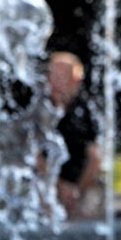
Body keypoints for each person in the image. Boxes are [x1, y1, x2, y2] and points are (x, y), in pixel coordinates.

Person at [48, 52, 102, 219]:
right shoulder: (40, 107)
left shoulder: (87, 110)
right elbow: (33, 155)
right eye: (53, 75)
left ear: (77, 80)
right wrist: (58, 185)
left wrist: (77, 190)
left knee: (88, 211)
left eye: (63, 76)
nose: (56, 81)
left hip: (82, 182)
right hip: (47, 181)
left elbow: (96, 156)